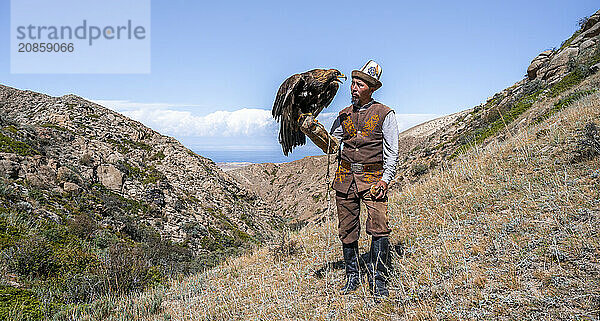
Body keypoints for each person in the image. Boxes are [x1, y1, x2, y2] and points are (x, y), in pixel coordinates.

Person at [329, 60, 399, 300]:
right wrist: (310, 129)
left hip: (373, 179)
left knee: (379, 227)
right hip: (344, 178)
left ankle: (379, 279)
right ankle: (352, 276)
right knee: (347, 230)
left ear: (371, 88)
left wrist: (385, 180)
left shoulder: (384, 113)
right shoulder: (343, 115)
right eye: (353, 84)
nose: (353, 88)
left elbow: (392, 152)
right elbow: (329, 144)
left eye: (359, 84)